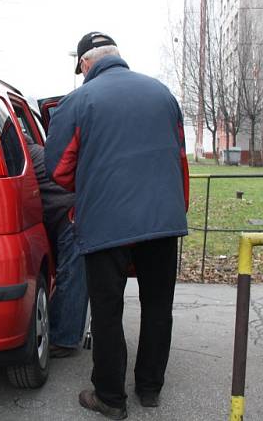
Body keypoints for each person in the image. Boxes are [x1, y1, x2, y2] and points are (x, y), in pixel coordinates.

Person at [45, 32, 189, 420]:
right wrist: (176, 210)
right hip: (163, 219)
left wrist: (93, 181)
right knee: (158, 305)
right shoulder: (162, 93)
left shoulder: (77, 102)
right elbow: (179, 160)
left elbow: (58, 170)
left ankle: (110, 397)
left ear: (86, 64)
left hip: (106, 221)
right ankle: (149, 388)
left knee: (107, 309)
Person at [24, 137, 88, 358]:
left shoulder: (23, 157)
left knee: (71, 278)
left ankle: (63, 339)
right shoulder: (38, 152)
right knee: (75, 278)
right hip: (76, 213)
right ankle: (67, 334)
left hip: (70, 217)